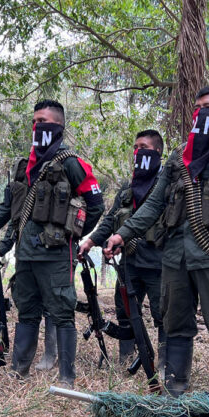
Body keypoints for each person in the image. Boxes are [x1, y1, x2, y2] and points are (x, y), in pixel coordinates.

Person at [104, 86, 209, 398]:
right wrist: (121, 234)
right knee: (174, 322)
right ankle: (176, 388)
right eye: (197, 108)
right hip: (175, 257)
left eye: (207, 107)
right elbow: (154, 206)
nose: (200, 113)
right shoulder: (177, 158)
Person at [0, 100, 104, 386]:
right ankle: (19, 370)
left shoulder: (72, 164)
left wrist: (72, 233)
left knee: (62, 314)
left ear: (59, 127)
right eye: (34, 121)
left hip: (56, 256)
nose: (38, 127)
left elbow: (96, 205)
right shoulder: (24, 167)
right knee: (27, 312)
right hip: (26, 256)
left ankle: (66, 379)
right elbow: (8, 211)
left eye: (44, 121)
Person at [80, 129, 167, 367]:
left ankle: (164, 366)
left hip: (159, 263)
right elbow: (110, 220)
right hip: (130, 262)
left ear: (158, 152)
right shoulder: (128, 189)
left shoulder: (167, 185)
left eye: (144, 148)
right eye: (136, 148)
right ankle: (126, 359)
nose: (138, 152)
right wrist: (91, 241)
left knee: (164, 316)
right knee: (125, 311)